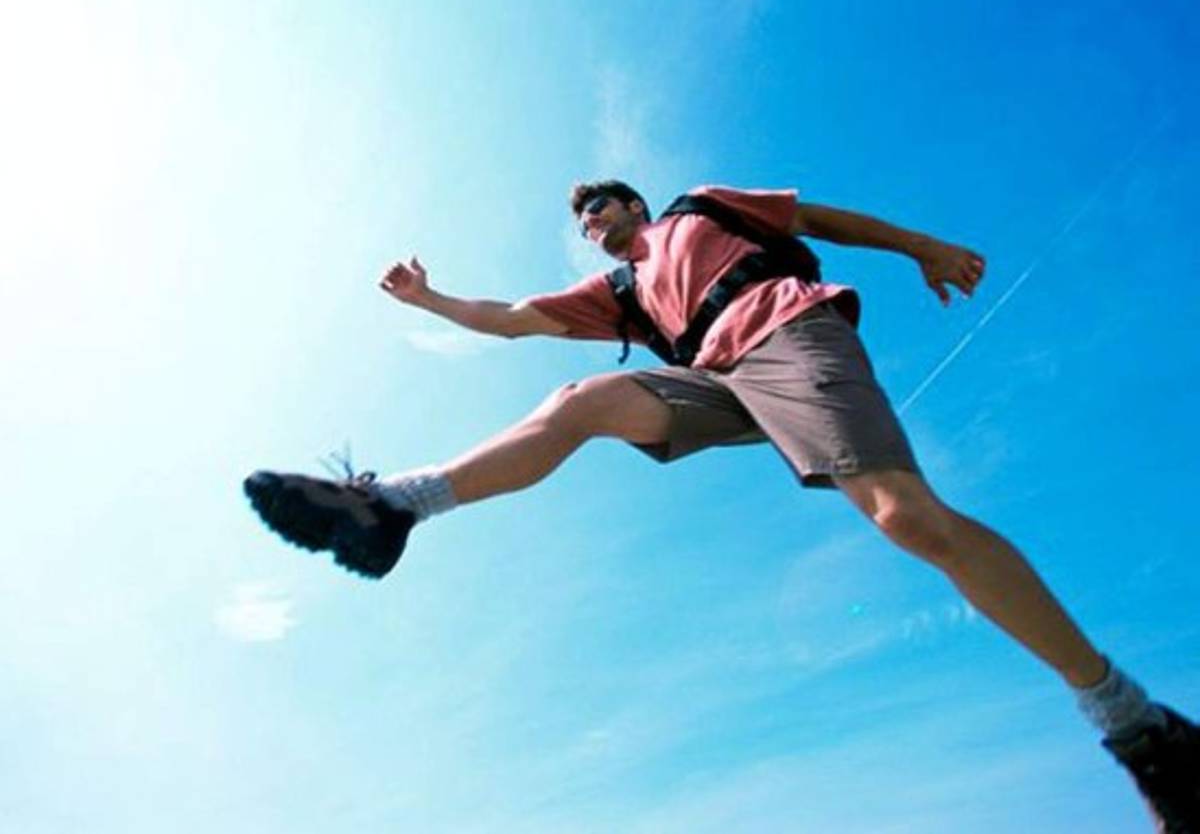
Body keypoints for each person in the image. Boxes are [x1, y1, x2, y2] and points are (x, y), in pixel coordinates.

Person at [244, 181, 1198, 830]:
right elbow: (513, 317)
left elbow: (820, 215)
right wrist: (430, 299)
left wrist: (922, 248)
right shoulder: (619, 294)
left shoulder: (703, 206)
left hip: (787, 332)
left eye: (602, 205)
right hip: (714, 377)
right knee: (582, 403)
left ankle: (1132, 721)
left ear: (635, 203)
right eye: (581, 219)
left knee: (908, 519)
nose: (592, 221)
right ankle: (394, 507)